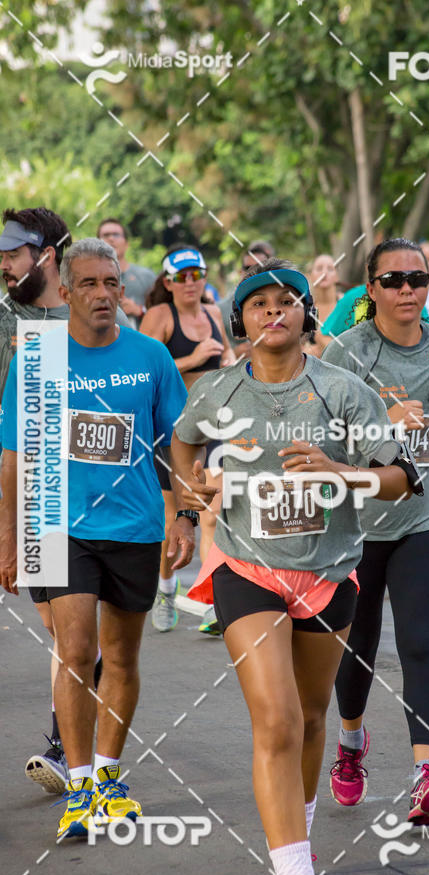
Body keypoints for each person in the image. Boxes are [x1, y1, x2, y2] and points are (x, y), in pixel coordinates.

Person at [170, 258, 419, 875]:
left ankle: (297, 826)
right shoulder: (218, 392)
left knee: (311, 717)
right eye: (259, 304)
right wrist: (191, 496)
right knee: (277, 720)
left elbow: (398, 479)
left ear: (307, 315)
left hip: (328, 571)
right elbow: (183, 444)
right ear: (241, 320)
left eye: (287, 302)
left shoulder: (344, 391)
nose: (273, 312)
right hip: (246, 566)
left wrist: (340, 472)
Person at [0, 239, 188, 838]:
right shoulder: (37, 358)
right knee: (76, 651)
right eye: (89, 284)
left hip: (134, 524)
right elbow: (11, 456)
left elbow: (179, 441)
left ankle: (108, 777)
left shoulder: (151, 357)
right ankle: (79, 787)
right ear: (65, 292)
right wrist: (9, 537)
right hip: (54, 518)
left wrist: (183, 515)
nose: (104, 294)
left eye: (112, 283)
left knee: (124, 658)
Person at [322, 238, 429, 824]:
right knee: (358, 648)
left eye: (418, 278)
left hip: (422, 518)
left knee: (418, 643)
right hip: (355, 528)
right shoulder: (346, 352)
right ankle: (352, 745)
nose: (407, 289)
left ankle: (425, 772)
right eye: (394, 280)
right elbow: (321, 438)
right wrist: (381, 423)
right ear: (371, 287)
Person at [0, 208, 129, 795]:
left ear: (47, 256)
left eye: (13, 254)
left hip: (58, 491)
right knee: (62, 630)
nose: (4, 265)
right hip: (14, 482)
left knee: (69, 634)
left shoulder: (93, 316)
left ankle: (70, 751)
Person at [140, 245, 235, 633]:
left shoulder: (214, 312)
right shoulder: (160, 316)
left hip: (214, 426)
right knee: (173, 518)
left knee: (211, 513)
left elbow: (227, 357)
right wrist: (194, 359)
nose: (191, 282)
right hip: (171, 430)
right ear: (168, 282)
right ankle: (165, 588)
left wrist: (227, 363)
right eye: (182, 277)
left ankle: (212, 603)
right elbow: (144, 371)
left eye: (197, 274)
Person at [219, 240, 275, 357]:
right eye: (248, 267)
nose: (254, 272)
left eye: (260, 267)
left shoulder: (281, 305)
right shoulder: (219, 309)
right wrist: (234, 353)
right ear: (241, 271)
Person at [97, 218, 156, 329]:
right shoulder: (87, 280)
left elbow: (164, 314)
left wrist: (140, 311)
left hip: (140, 342)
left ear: (127, 243)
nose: (111, 238)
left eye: (116, 235)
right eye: (105, 235)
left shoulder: (147, 276)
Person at [303, 254, 340, 357]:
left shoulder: (348, 307)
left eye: (330, 269)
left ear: (337, 276)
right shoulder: (304, 310)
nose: (324, 273)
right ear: (310, 276)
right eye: (319, 269)